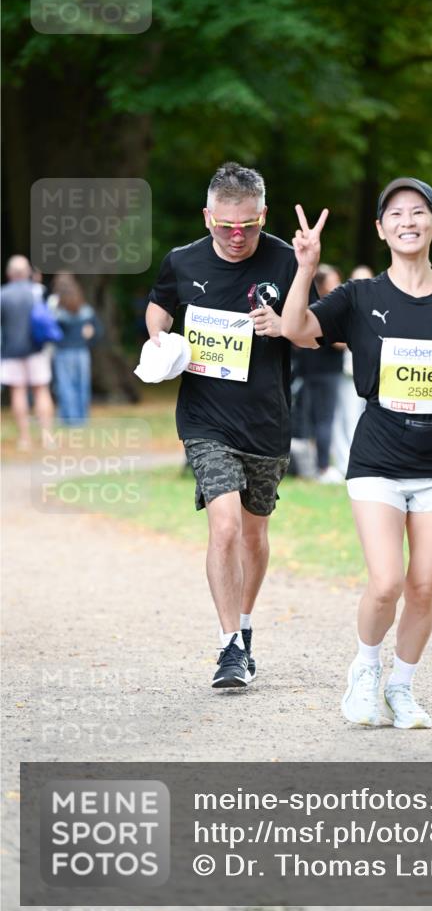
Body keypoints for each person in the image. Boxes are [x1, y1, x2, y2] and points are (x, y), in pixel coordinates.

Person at [282, 177, 432, 729]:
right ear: (381, 229)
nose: (408, 220)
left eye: (419, 211)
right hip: (377, 459)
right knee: (387, 582)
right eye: (396, 213)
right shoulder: (360, 298)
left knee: (424, 585)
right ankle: (365, 669)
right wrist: (306, 267)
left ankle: (401, 688)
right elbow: (294, 328)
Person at [145, 162, 323, 690]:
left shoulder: (287, 260)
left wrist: (284, 325)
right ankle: (227, 649)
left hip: (266, 418)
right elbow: (158, 309)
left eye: (247, 225)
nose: (237, 235)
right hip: (204, 417)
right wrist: (159, 338)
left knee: (253, 532)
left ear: (262, 215)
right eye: (225, 226)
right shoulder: (183, 261)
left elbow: (313, 336)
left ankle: (244, 628)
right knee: (223, 525)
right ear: (207, 218)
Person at [293, 264, 345, 483]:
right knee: (324, 419)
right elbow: (341, 343)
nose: (338, 285)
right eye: (334, 281)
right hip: (326, 372)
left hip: (308, 372)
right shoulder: (330, 310)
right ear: (323, 285)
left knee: (312, 420)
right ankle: (323, 467)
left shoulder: (307, 306)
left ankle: (311, 466)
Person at [0, 254, 54, 450]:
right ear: (28, 273)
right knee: (41, 390)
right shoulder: (37, 293)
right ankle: (47, 437)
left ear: (8, 274)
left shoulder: (2, 295)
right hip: (36, 349)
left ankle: (24, 439)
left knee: (18, 391)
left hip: (11, 351)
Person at [330, 265, 374, 476]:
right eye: (357, 279)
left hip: (373, 374)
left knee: (360, 418)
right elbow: (333, 336)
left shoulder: (379, 305)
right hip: (347, 371)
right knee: (344, 418)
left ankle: (358, 461)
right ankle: (344, 463)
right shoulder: (347, 303)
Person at [53, 279, 103, 426]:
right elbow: (98, 331)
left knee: (65, 385)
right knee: (82, 385)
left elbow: (51, 333)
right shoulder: (86, 311)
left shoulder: (57, 313)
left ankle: (70, 419)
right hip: (82, 352)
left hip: (63, 352)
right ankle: (82, 418)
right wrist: (89, 340)